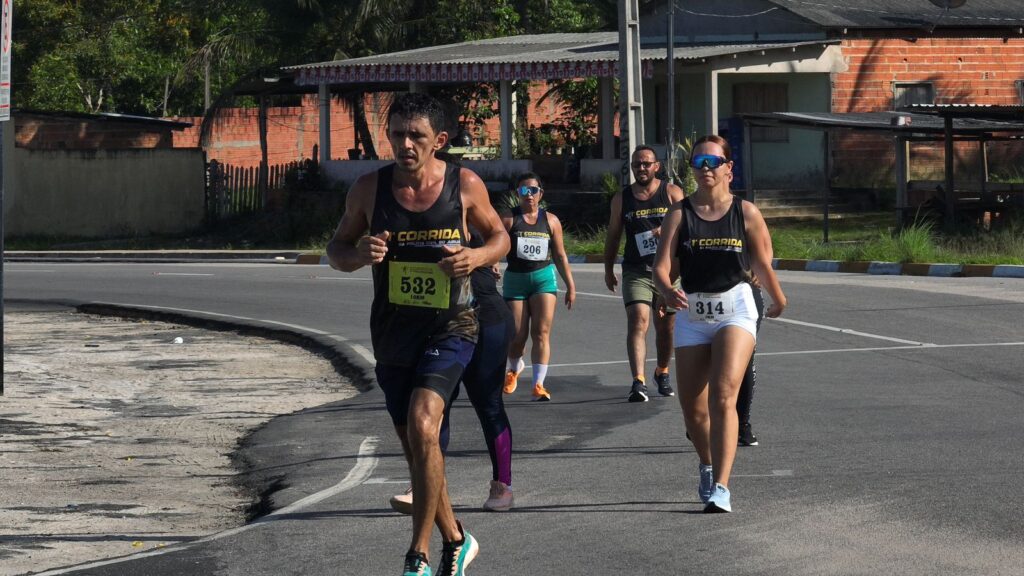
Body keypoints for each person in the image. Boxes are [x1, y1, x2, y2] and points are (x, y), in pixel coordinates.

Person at [326, 92, 509, 576]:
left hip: (452, 326)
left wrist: (476, 257)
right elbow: (336, 249)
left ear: (440, 141)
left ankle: (417, 555)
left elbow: (499, 237)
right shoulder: (369, 189)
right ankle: (458, 538)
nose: (405, 144)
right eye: (398, 135)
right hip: (393, 332)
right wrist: (360, 253)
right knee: (417, 446)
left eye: (417, 136)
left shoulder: (463, 183)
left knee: (426, 423)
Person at [653, 134, 787, 513]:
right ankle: (708, 465)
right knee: (693, 411)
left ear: (729, 168)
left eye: (713, 161)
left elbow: (762, 261)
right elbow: (661, 267)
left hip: (736, 309)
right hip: (694, 312)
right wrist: (665, 290)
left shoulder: (745, 213)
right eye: (699, 162)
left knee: (723, 396)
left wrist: (778, 297)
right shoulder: (678, 213)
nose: (706, 169)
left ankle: (723, 488)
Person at [390, 225, 516, 515]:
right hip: (440, 322)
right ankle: (425, 484)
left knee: (489, 404)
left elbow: (501, 239)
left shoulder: (467, 202)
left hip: (487, 319)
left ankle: (503, 485)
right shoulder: (412, 216)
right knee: (434, 401)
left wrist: (480, 255)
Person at [603, 146, 686, 402]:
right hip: (636, 270)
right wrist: (608, 269)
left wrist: (668, 231)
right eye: (637, 164)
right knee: (638, 320)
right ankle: (638, 381)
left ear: (656, 166)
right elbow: (614, 235)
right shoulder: (622, 198)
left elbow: (688, 231)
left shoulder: (671, 193)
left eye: (646, 164)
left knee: (666, 327)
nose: (641, 168)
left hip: (669, 272)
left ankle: (662, 371)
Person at [500, 172, 576, 401]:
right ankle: (513, 368)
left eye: (533, 190)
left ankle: (538, 385)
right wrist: (493, 263)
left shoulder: (551, 221)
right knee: (516, 337)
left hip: (543, 278)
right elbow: (496, 244)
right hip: (516, 279)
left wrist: (570, 286)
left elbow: (560, 256)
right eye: (524, 190)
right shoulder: (508, 219)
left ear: (540, 194)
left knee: (541, 332)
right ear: (518, 194)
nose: (529, 195)